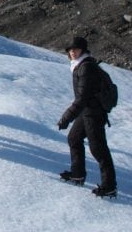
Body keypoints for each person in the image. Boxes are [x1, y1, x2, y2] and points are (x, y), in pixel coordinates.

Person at [57, 36, 117, 197]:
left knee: (99, 149)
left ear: (83, 50)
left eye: (75, 49)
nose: (73, 52)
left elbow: (82, 98)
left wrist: (66, 117)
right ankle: (77, 174)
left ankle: (109, 186)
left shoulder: (86, 68)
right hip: (87, 112)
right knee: (74, 138)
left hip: (94, 113)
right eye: (70, 50)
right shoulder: (79, 66)